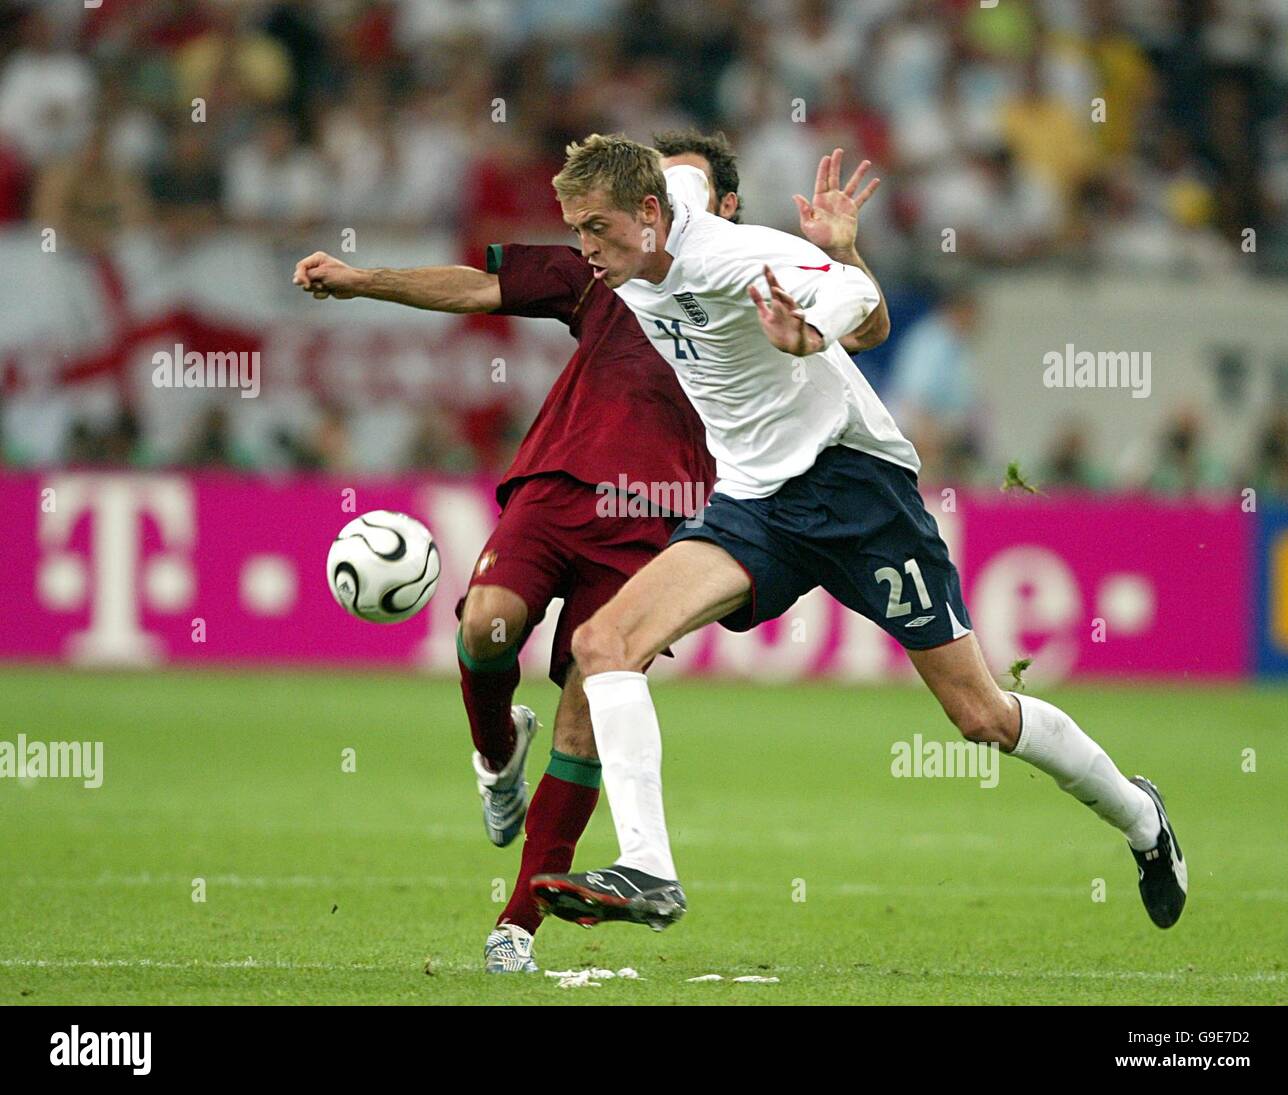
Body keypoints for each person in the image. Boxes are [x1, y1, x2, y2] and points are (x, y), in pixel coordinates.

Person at [528, 135, 1186, 935]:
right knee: (603, 644)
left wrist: (812, 324)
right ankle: (650, 869)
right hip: (754, 500)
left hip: (853, 484)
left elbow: (857, 309)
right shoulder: (655, 213)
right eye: (576, 230)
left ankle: (1141, 818)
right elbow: (689, 168)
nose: (586, 249)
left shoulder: (734, 256)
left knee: (980, 715)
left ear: (649, 215)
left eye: (597, 227)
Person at [291, 132, 890, 972]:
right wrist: (362, 280)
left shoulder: (756, 282)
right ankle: (497, 750)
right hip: (559, 481)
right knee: (488, 627)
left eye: (689, 185)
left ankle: (517, 925)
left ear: (724, 208)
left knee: (586, 705)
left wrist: (841, 267)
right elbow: (479, 286)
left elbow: (853, 330)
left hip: (659, 520)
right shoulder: (602, 269)